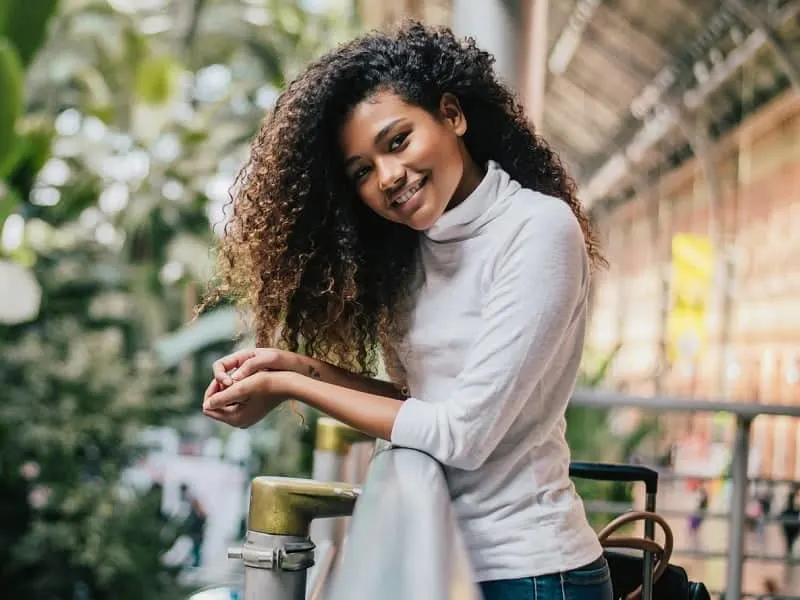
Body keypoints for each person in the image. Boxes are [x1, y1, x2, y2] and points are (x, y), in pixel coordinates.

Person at [200, 21, 611, 600]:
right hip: (445, 563)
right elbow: (423, 406)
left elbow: (460, 436)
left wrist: (294, 387)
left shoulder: (538, 231)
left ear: (452, 115)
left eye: (398, 141)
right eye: (362, 171)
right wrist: (294, 366)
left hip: (532, 573)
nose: (388, 177)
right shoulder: (413, 251)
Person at [179, 483, 206, 568]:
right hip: (196, 531)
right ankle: (195, 562)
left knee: (196, 548)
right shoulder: (196, 512)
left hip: (197, 531)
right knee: (194, 547)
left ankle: (196, 563)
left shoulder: (198, 514)